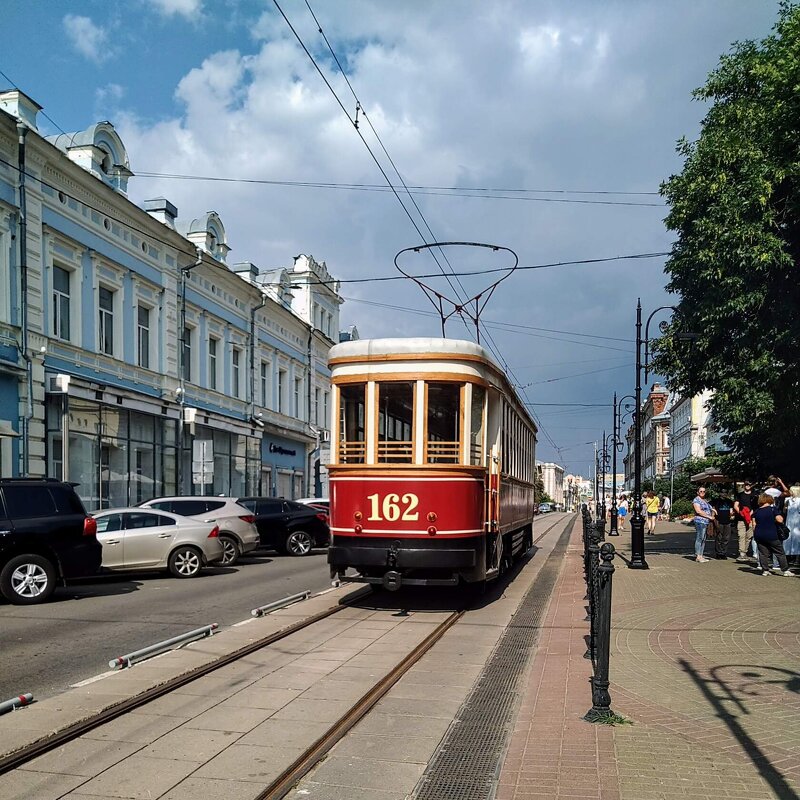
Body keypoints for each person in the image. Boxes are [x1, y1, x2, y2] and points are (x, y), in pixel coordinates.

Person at [752, 493, 791, 576]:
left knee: (763, 553)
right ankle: (785, 570)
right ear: (770, 500)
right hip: (771, 535)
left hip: (759, 535)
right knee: (780, 552)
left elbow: (753, 525)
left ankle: (765, 570)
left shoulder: (756, 511)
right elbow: (779, 520)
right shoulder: (773, 509)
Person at [734, 481, 757, 562]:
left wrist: (750, 514)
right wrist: (741, 513)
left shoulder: (754, 495)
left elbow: (755, 507)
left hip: (751, 519)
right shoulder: (740, 495)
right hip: (741, 519)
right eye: (746, 484)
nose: (747, 486)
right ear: (744, 486)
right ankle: (742, 553)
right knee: (741, 536)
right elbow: (736, 505)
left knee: (749, 536)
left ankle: (745, 552)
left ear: (751, 485)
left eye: (749, 484)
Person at [692, 486, 715, 563]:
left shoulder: (704, 500)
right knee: (700, 538)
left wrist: (713, 510)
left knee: (704, 539)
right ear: (698, 492)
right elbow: (698, 511)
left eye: (704, 491)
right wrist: (709, 516)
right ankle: (698, 556)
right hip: (700, 521)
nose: (702, 493)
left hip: (705, 522)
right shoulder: (696, 500)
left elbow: (710, 508)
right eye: (701, 491)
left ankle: (701, 555)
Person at [711, 492, 734, 560]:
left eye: (725, 493)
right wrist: (713, 511)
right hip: (719, 521)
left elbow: (731, 509)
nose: (723, 494)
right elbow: (708, 505)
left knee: (726, 538)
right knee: (719, 538)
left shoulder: (729, 501)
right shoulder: (716, 500)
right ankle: (718, 553)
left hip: (727, 522)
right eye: (722, 493)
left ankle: (723, 553)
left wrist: (731, 513)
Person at [784, 483, 800, 567]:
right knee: (788, 539)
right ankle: (788, 557)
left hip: (797, 523)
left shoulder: (799, 501)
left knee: (797, 540)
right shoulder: (788, 500)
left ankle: (797, 558)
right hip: (789, 522)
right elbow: (785, 511)